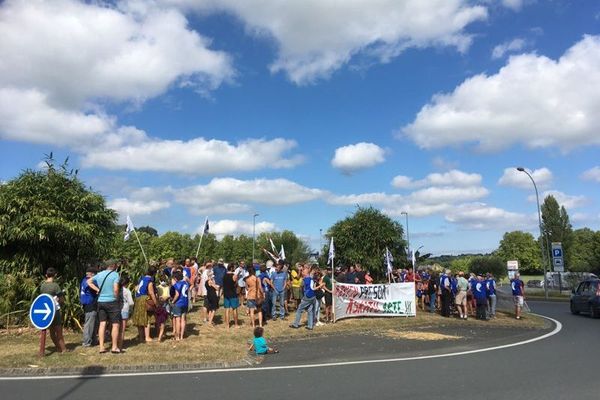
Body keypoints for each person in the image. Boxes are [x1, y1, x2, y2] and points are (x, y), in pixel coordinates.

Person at [88, 260, 121, 354]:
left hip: (101, 301)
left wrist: (97, 289)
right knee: (115, 324)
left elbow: (89, 281)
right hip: (112, 301)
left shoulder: (99, 274)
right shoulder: (115, 275)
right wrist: (117, 298)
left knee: (102, 323)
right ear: (113, 265)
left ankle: (101, 347)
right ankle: (114, 347)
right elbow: (115, 289)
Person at [40, 267, 67, 353]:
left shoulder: (43, 286)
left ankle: (58, 348)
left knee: (52, 331)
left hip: (47, 310)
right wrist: (60, 300)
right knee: (59, 331)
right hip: (55, 310)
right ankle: (63, 349)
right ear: (55, 275)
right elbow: (61, 299)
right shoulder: (55, 286)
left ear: (46, 275)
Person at [132, 266, 158, 342]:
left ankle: (141, 337)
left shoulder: (142, 279)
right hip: (144, 300)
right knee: (147, 319)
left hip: (137, 299)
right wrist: (156, 303)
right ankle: (147, 337)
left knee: (140, 319)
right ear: (154, 273)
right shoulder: (149, 281)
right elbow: (151, 293)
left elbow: (136, 288)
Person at [290, 266, 316, 330]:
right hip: (313, 296)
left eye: (303, 272)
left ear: (305, 273)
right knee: (310, 310)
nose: (302, 273)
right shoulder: (311, 278)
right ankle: (310, 325)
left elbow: (301, 286)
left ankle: (295, 324)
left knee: (299, 309)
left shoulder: (305, 280)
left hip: (307, 296)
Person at [80, 266, 98, 347]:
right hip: (90, 304)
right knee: (89, 323)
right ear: (92, 274)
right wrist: (98, 289)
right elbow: (91, 286)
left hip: (87, 304)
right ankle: (86, 342)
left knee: (93, 322)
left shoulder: (83, 280)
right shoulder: (89, 281)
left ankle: (94, 340)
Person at [171, 270, 189, 340]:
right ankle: (182, 336)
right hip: (185, 302)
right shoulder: (186, 283)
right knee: (183, 319)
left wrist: (173, 301)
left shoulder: (177, 284)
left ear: (175, 278)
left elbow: (177, 294)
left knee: (177, 319)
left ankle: (177, 337)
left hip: (178, 303)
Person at [118, 274, 134, 351]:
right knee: (122, 328)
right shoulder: (127, 291)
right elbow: (131, 302)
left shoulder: (117, 290)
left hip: (116, 310)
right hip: (124, 309)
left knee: (116, 327)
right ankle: (120, 346)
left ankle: (115, 343)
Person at [223, 263, 240, 329]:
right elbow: (236, 284)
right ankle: (236, 324)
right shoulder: (234, 275)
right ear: (232, 268)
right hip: (233, 294)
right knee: (234, 309)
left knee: (227, 310)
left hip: (226, 294)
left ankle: (227, 325)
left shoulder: (224, 275)